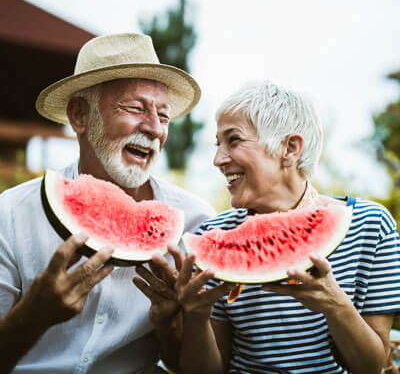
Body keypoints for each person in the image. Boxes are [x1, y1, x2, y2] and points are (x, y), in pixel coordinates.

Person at [138, 80, 400, 373]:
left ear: (290, 148)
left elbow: (372, 367)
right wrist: (196, 316)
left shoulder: (370, 225)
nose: (218, 159)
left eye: (233, 140)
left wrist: (335, 305)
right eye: (217, 144)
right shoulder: (212, 236)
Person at [0, 33, 216, 374]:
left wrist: (172, 322)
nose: (154, 129)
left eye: (164, 116)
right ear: (80, 115)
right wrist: (32, 316)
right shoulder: (11, 215)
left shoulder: (195, 223)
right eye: (135, 108)